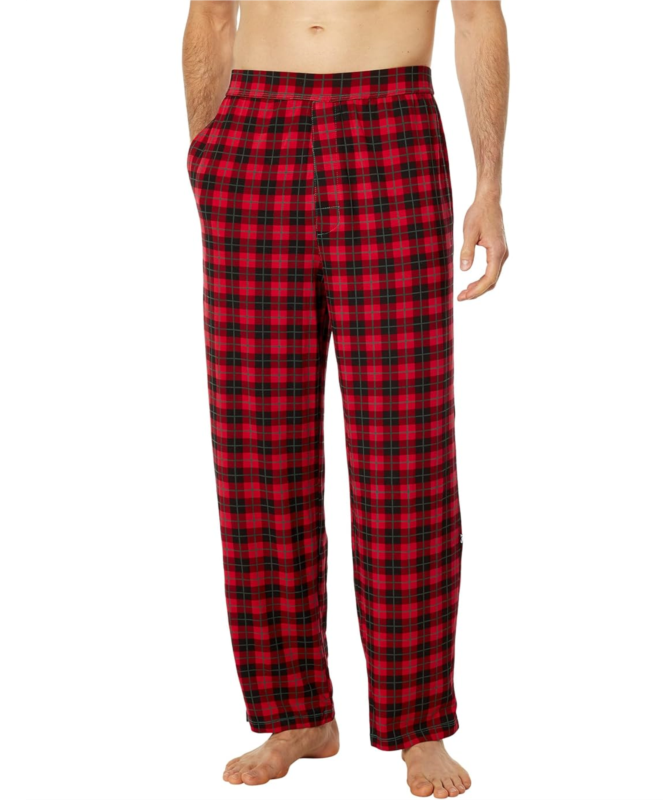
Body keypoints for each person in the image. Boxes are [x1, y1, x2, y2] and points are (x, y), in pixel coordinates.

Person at [183, 0, 509, 796]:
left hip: (389, 124)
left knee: (406, 448)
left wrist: (489, 186)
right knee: (258, 443)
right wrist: (205, 156)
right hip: (251, 128)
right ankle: (294, 713)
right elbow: (210, 16)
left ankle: (419, 724)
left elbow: (477, 18)